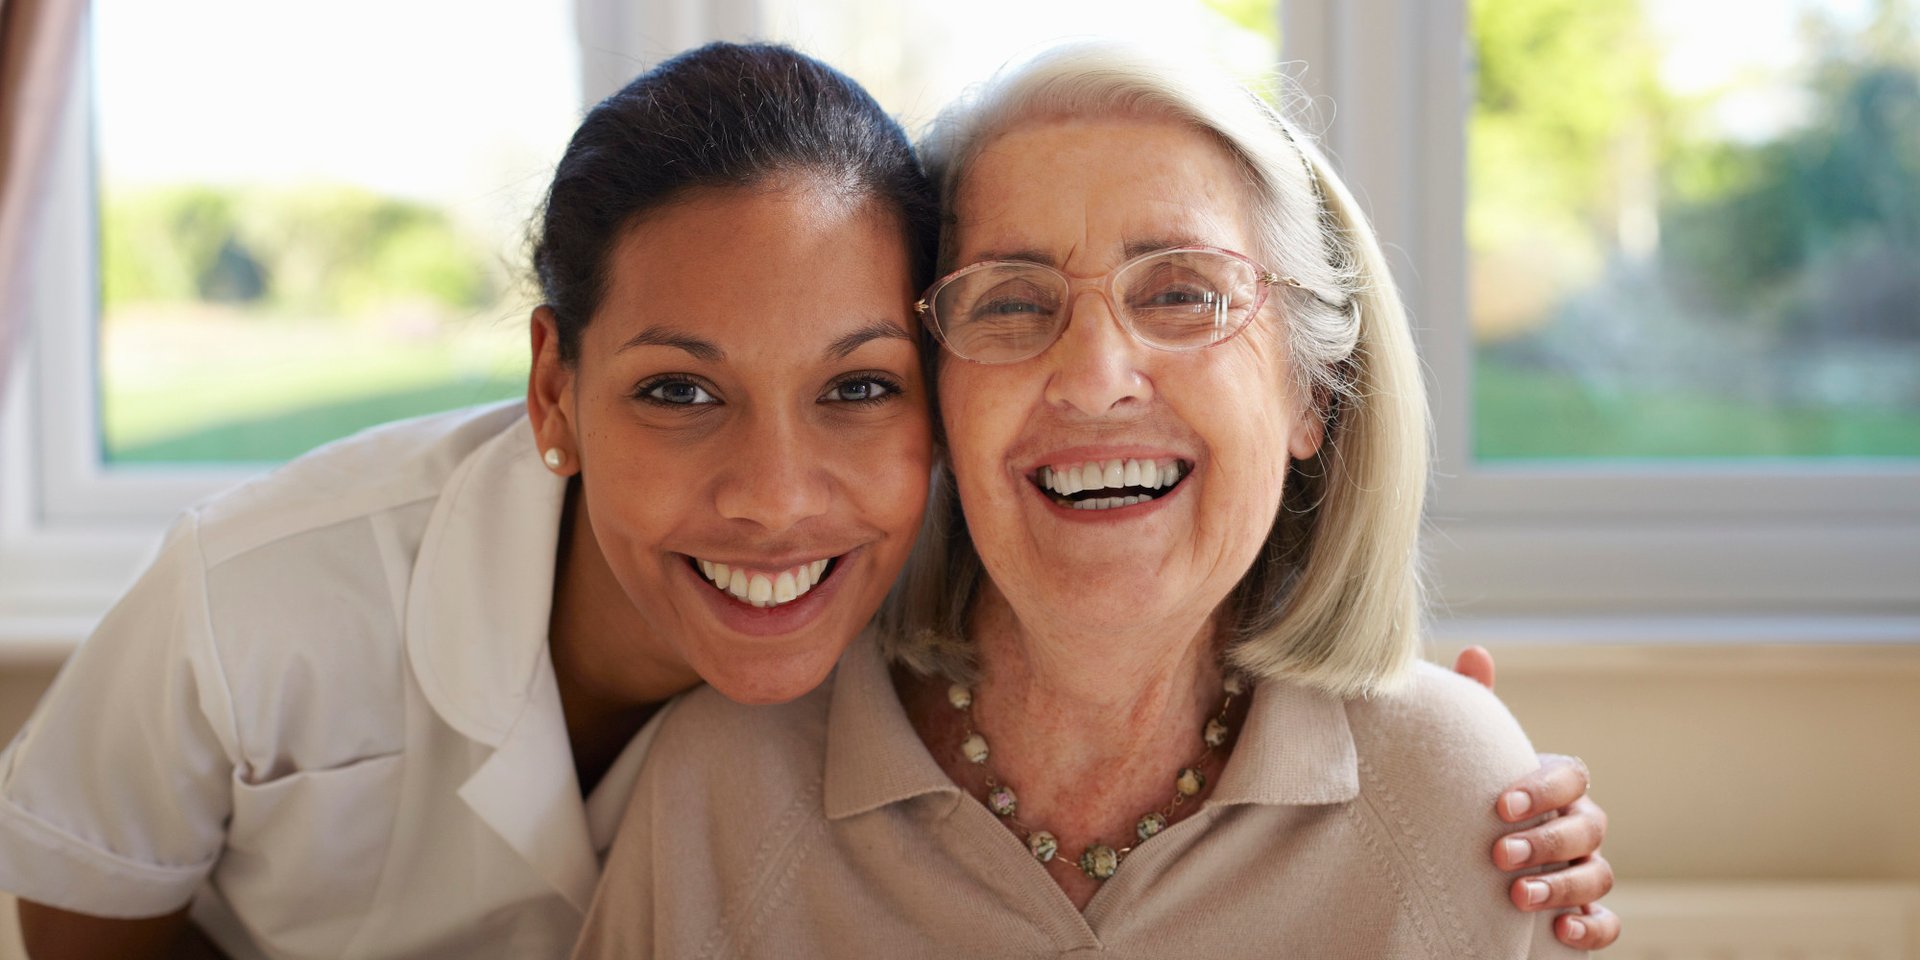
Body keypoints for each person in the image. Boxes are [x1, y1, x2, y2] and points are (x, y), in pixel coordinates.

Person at [0, 44, 1611, 960]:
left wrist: (1451, 775)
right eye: (679, 391)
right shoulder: (266, 605)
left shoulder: (983, 505)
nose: (779, 494)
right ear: (554, 387)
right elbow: (83, 901)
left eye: (854, 387)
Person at [575, 41, 1616, 959]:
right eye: (1013, 302)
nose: (1093, 375)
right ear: (935, 397)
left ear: (1309, 390)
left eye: (1178, 293)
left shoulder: (1465, 805)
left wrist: (1451, 771)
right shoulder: (718, 791)